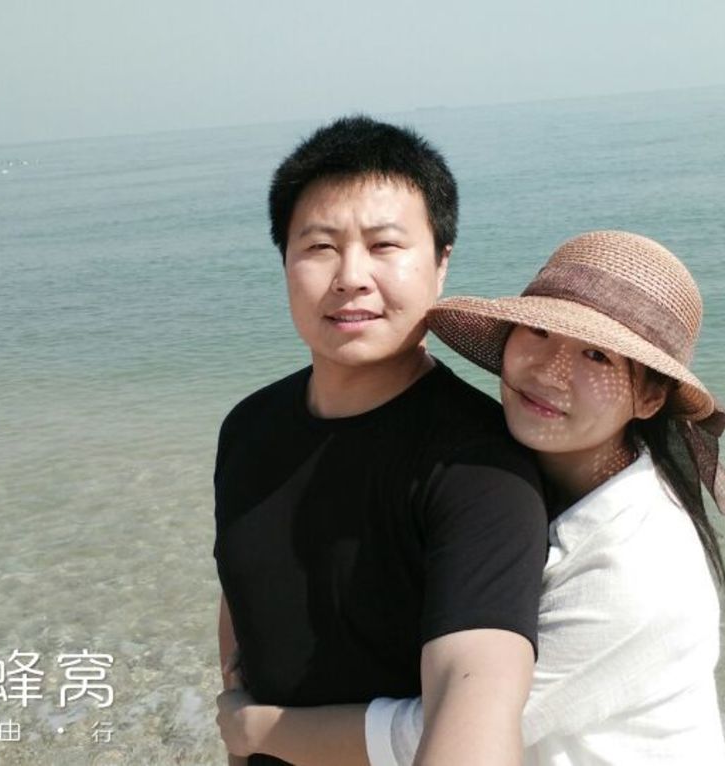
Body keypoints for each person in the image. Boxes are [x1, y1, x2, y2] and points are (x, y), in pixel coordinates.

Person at [217, 230, 725, 765]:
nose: (549, 370)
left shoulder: (637, 570)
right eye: (539, 330)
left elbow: (446, 732)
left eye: (596, 356)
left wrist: (256, 731)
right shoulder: (503, 475)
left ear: (651, 397)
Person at [212, 115, 551, 766]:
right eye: (319, 246)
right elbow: (242, 593)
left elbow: (475, 698)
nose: (351, 276)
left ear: (441, 263)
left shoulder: (482, 470)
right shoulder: (248, 428)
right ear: (284, 262)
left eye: (384, 245)